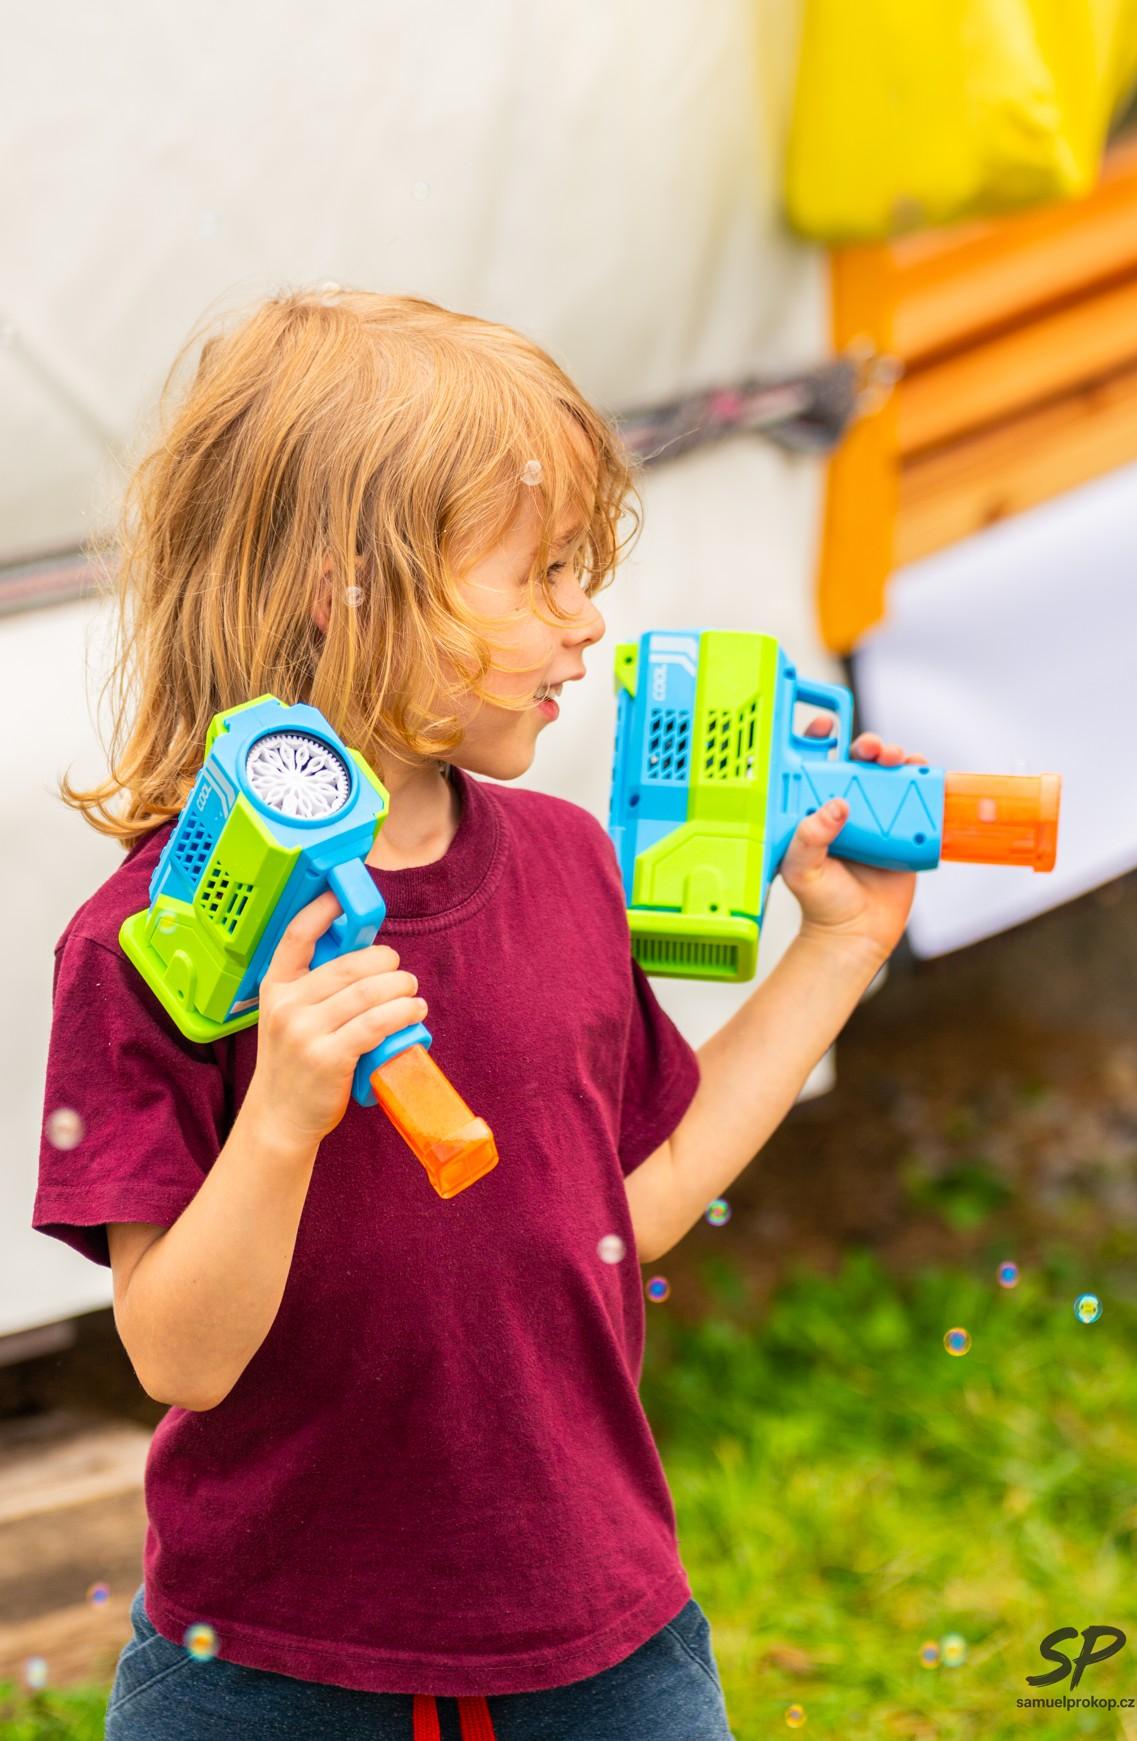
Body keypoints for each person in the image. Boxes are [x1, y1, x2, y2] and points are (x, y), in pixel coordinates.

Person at [32, 290, 926, 1740]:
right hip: (266, 1672)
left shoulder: (569, 866)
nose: (589, 621)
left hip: (606, 1646)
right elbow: (177, 1359)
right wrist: (284, 1116)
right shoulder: (156, 939)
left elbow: (636, 1201)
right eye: (543, 576)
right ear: (349, 592)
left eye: (587, 572)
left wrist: (839, 947)